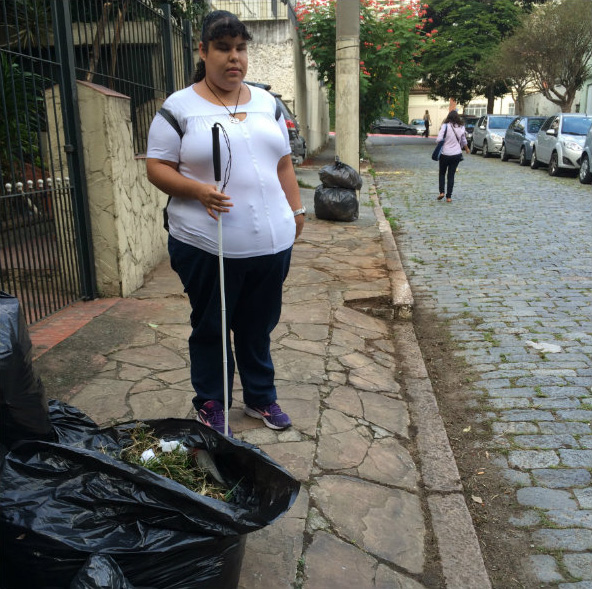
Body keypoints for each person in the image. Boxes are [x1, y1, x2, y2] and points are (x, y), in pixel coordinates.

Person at [146, 10, 305, 436]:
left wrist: (297, 210)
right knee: (213, 324)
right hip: (206, 243)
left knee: (258, 325)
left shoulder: (266, 102)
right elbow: (157, 167)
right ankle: (212, 402)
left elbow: (284, 163)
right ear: (203, 50)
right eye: (223, 49)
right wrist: (197, 191)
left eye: (241, 49)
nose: (234, 58)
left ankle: (260, 398)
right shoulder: (179, 107)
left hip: (272, 243)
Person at [435, 110, 470, 202]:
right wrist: (466, 149)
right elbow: (463, 140)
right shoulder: (461, 127)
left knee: (442, 173)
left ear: (448, 117)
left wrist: (443, 142)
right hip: (456, 154)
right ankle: (449, 197)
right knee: (451, 175)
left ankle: (441, 192)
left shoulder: (445, 126)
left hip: (445, 154)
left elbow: (439, 139)